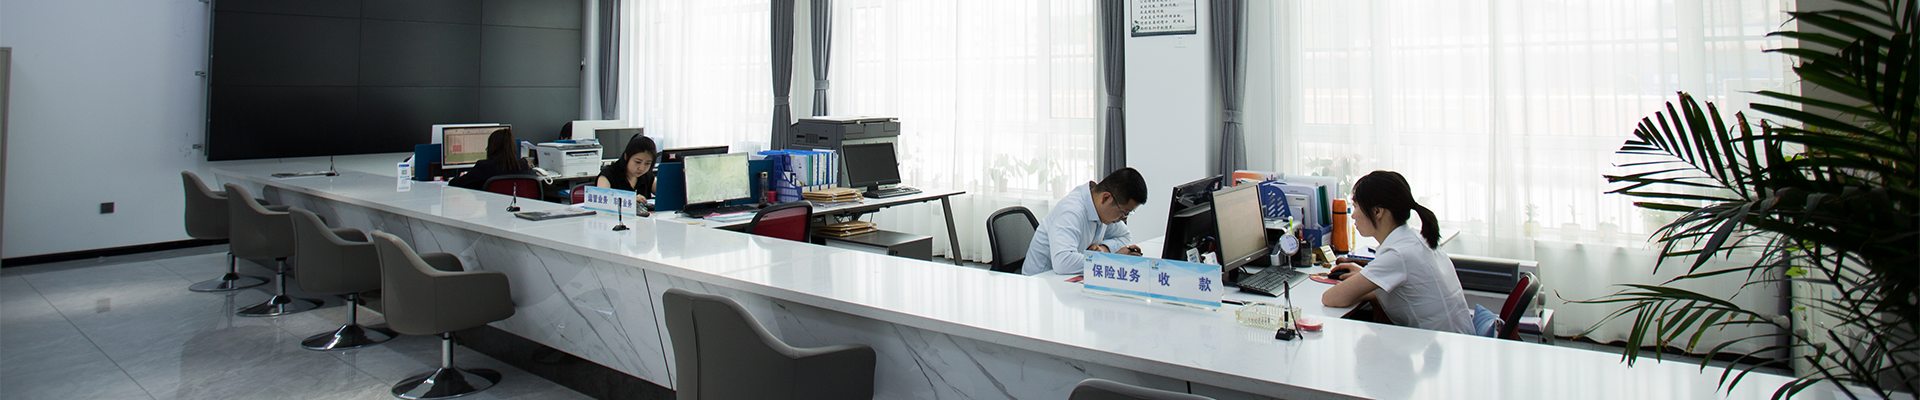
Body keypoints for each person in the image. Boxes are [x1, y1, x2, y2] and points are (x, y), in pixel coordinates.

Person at [1321, 170, 1474, 335]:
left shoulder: (1398, 254)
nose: (1353, 215)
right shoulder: (1416, 238)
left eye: (1356, 206)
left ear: (1377, 212)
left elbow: (1330, 298)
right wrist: (1366, 277)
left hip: (1442, 345)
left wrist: (1362, 287)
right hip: (1456, 340)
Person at [1022, 167, 1149, 275]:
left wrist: (1104, 249)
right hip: (1040, 282)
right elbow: (1063, 262)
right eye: (1123, 212)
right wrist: (1112, 260)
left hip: (1066, 279)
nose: (1124, 218)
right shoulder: (1071, 212)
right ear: (1106, 198)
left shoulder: (1101, 210)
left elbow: (1124, 236)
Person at [448, 128, 531, 191]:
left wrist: (463, 177)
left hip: (491, 208)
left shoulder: (484, 167)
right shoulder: (523, 165)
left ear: (491, 147)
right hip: (517, 207)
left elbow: (454, 183)